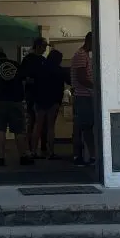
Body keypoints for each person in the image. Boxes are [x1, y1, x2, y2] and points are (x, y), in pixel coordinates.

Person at [0, 49, 34, 167]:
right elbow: (26, 81)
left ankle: (1, 158)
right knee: (19, 130)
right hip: (16, 102)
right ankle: (23, 156)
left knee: (1, 130)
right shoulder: (16, 65)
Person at [31, 48, 66, 160]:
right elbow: (62, 85)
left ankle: (33, 152)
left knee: (38, 125)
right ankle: (51, 152)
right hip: (53, 101)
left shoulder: (40, 68)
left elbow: (34, 84)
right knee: (51, 127)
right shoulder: (59, 70)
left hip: (40, 100)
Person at [70, 32, 97, 166]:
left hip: (85, 95)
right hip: (83, 96)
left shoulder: (84, 55)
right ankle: (86, 156)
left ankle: (87, 155)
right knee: (85, 126)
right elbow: (81, 78)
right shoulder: (81, 55)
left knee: (84, 126)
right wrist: (95, 87)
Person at [19, 37, 48, 154]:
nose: (45, 49)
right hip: (33, 94)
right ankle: (31, 147)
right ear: (39, 46)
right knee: (33, 121)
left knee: (36, 121)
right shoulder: (30, 60)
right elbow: (23, 77)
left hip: (37, 94)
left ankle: (36, 147)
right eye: (44, 47)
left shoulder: (40, 59)